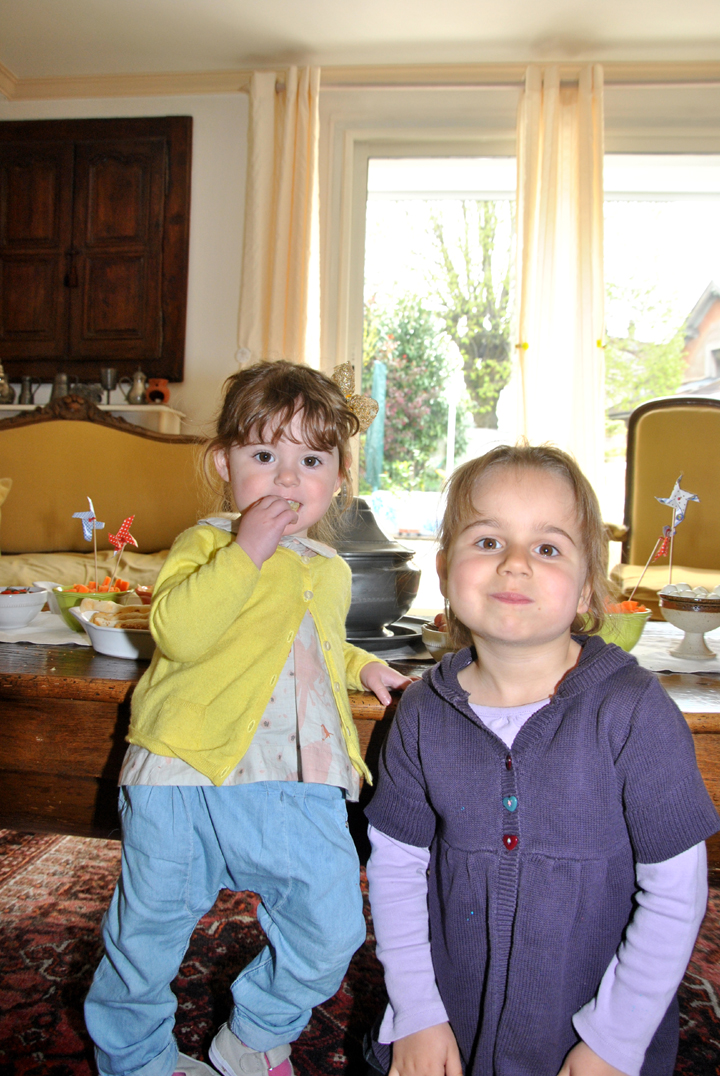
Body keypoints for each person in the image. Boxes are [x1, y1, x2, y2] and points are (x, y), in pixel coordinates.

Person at [84, 360, 411, 1076]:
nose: (286, 478)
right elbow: (178, 633)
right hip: (180, 772)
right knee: (144, 936)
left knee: (331, 923)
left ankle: (255, 1035)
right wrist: (245, 553)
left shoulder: (329, 567)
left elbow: (313, 642)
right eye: (264, 455)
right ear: (223, 463)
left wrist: (363, 667)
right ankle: (134, 1059)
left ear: (340, 478)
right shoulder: (206, 544)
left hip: (291, 778)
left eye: (311, 460)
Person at [364, 443, 720, 1076]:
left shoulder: (634, 712)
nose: (515, 564)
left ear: (587, 590)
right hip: (449, 1025)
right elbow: (395, 870)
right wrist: (416, 1012)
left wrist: (613, 1042)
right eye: (488, 541)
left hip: (589, 1035)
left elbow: (675, 893)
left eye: (548, 548)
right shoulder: (419, 714)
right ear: (445, 570)